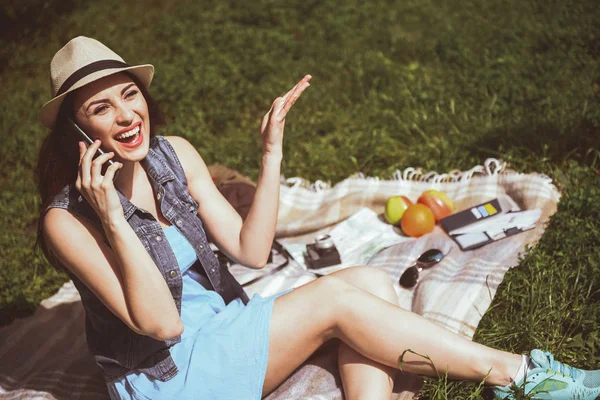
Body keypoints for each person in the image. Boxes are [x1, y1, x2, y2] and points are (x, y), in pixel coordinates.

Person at [35, 36, 599, 400]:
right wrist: (112, 215)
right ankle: (522, 374)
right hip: (170, 375)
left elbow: (251, 253)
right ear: (76, 132)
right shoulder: (68, 221)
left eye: (129, 95)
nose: (126, 115)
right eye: (100, 108)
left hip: (223, 330)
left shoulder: (173, 153)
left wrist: (271, 154)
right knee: (337, 302)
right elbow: (162, 326)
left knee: (372, 281)